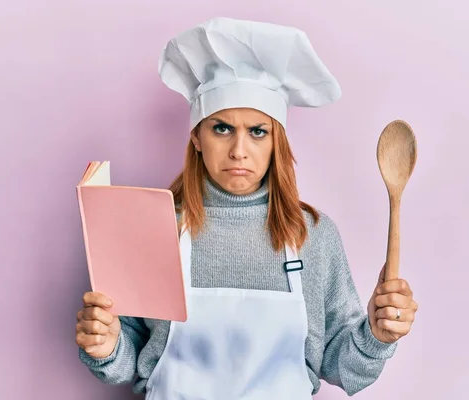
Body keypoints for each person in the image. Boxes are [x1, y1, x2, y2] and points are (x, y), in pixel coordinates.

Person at [75, 17, 418, 399]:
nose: (239, 150)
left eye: (258, 131)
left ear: (277, 141)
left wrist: (375, 334)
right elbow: (131, 355)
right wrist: (105, 346)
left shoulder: (314, 235)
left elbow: (339, 364)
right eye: (222, 128)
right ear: (197, 137)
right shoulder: (154, 227)